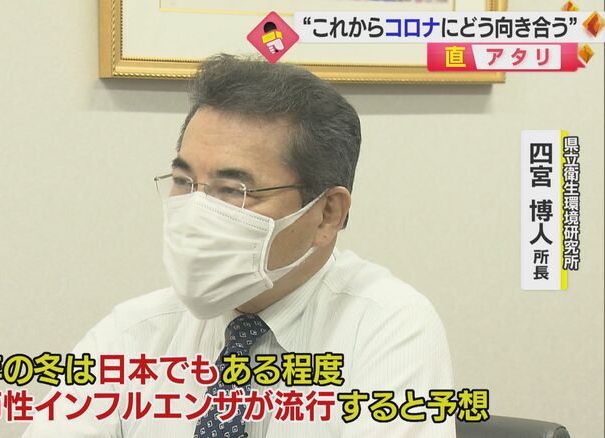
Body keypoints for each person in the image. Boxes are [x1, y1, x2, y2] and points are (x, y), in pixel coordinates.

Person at [23, 53, 455, 437]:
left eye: (233, 190)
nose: (197, 212)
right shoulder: (133, 334)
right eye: (184, 182)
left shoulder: (389, 327)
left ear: (327, 214)